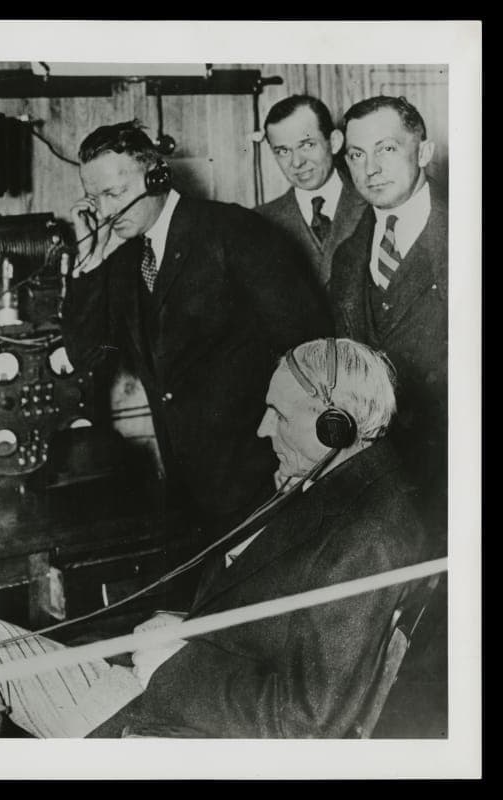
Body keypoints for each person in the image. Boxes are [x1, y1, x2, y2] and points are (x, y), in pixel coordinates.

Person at [0, 338, 429, 739]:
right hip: (180, 692)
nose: (262, 430)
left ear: (332, 427)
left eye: (280, 415)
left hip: (181, 730)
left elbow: (311, 721)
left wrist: (174, 662)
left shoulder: (370, 537)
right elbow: (279, 621)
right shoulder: (342, 490)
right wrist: (183, 631)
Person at [59, 120, 330, 534]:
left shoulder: (233, 231)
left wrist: (303, 460)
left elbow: (309, 347)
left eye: (114, 193)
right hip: (188, 491)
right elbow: (86, 355)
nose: (106, 212)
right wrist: (87, 259)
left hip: (264, 478)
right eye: (95, 199)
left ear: (158, 177)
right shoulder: (121, 260)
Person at [329, 96, 447, 548]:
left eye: (387, 149)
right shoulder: (347, 257)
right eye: (357, 155)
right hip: (382, 489)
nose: (370, 168)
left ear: (424, 151)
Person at [256, 95, 366, 291]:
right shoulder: (260, 222)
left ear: (334, 142)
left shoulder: (374, 203)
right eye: (283, 151)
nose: (297, 162)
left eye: (307, 145)